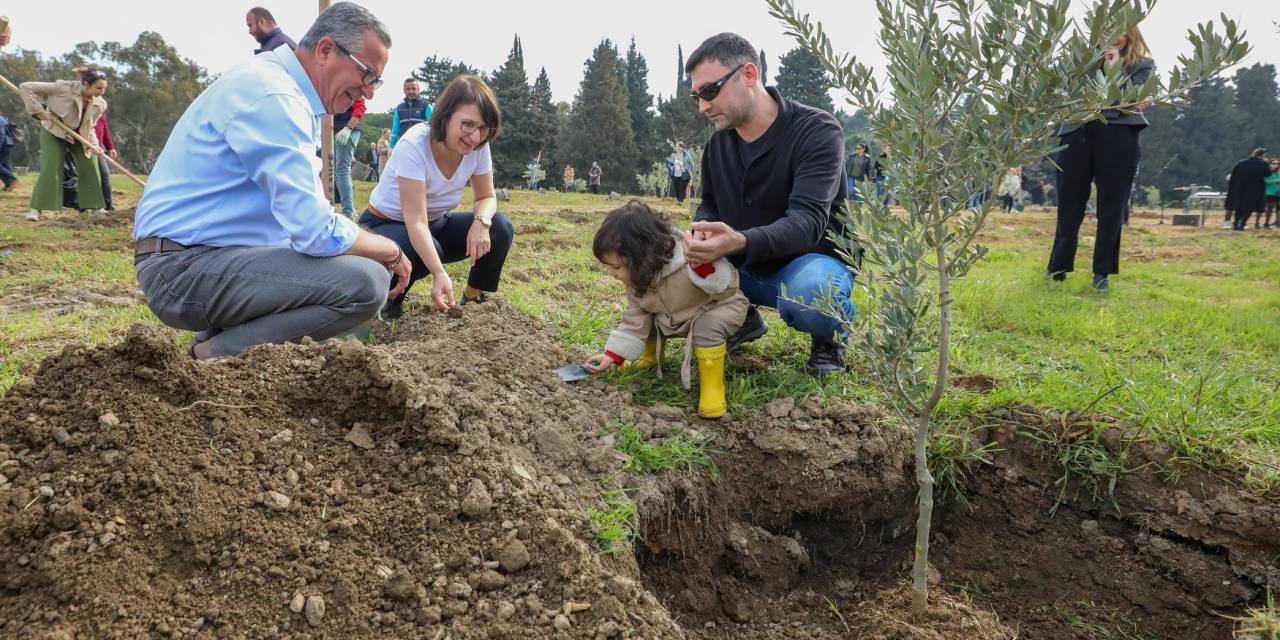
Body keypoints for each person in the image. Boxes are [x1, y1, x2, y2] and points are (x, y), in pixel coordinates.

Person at [134, 2, 406, 360]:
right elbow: (315, 231)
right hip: (181, 268)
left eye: (376, 80)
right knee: (366, 282)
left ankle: (218, 341)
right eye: (367, 74)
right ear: (325, 50)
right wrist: (391, 250)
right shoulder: (274, 97)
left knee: (340, 270)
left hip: (201, 257)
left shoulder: (281, 90)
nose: (369, 91)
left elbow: (300, 229)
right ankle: (215, 356)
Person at [682, 32, 854, 377]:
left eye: (710, 91)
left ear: (748, 74)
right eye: (697, 96)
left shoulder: (817, 131)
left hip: (807, 262)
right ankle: (742, 319)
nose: (703, 106)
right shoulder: (718, 145)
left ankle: (829, 338)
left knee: (812, 295)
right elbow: (711, 203)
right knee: (668, 274)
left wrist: (740, 241)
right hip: (742, 269)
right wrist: (702, 231)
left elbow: (807, 222)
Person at [359, 74, 514, 320]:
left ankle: (473, 297)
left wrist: (481, 222)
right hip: (385, 224)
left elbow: (486, 196)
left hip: (436, 221)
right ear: (446, 115)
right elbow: (416, 222)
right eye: (468, 124)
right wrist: (439, 274)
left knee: (500, 228)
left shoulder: (478, 147)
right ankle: (387, 301)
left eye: (484, 128)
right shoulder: (415, 145)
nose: (475, 136)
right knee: (428, 250)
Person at [585, 201, 747, 419]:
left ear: (642, 257)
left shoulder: (691, 260)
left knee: (707, 326)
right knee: (647, 314)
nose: (611, 274)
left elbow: (726, 288)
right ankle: (649, 357)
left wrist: (706, 270)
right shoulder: (639, 280)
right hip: (676, 315)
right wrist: (612, 355)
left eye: (616, 267)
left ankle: (712, 387)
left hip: (719, 308)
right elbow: (635, 318)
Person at [1047, 26, 1155, 291]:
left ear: (1131, 35)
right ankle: (1057, 268)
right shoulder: (1081, 62)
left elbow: (1136, 101)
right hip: (1076, 134)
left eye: (1122, 31)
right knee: (1069, 203)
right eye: (1110, 30)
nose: (1116, 37)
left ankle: (1102, 274)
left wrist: (1115, 69)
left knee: (1112, 207)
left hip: (1118, 137)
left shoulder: (1142, 65)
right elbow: (1064, 92)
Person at [20, 68, 108, 221]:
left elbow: (90, 126)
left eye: (104, 88)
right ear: (86, 84)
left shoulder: (100, 104)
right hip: (55, 130)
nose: (102, 92)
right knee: (51, 167)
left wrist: (95, 145)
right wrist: (39, 111)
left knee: (90, 164)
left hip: (79, 135)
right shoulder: (63, 88)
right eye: (99, 88)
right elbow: (27, 87)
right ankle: (36, 209)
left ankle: (96, 208)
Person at [332, 96, 364, 216]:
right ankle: (349, 209)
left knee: (342, 170)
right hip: (334, 129)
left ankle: (348, 212)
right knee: (338, 170)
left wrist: (348, 128)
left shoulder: (350, 85)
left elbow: (360, 107)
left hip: (347, 130)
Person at [1225, 148, 1269, 231]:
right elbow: (1268, 174)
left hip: (1240, 188)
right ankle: (1242, 222)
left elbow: (1233, 174)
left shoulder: (1241, 162)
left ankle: (1236, 223)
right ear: (1262, 156)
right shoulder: (1263, 164)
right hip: (1255, 189)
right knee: (1249, 207)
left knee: (1239, 206)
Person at [390, 78, 431, 148]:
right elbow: (395, 130)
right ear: (404, 90)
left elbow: (433, 127)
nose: (411, 91)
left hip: (422, 147)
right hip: (404, 147)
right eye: (408, 89)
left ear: (418, 89)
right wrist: (391, 146)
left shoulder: (426, 106)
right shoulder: (399, 109)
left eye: (414, 88)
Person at [93, 111, 116, 212]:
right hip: (85, 144)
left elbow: (104, 127)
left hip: (99, 146)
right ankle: (86, 206)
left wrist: (110, 147)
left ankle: (108, 206)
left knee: (104, 175)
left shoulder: (100, 106)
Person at [0, 114, 16, 193]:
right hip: (8, 143)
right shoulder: (2, 118)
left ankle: (13, 179)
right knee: (5, 164)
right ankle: (9, 185)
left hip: (4, 144)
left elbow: (1, 134)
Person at [1263, 158, 1280, 230]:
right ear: (1269, 164)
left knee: (1278, 210)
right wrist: (1274, 181)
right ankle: (1266, 223)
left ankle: (1278, 223)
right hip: (1270, 193)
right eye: (1273, 163)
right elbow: (1264, 180)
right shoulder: (1266, 172)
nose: (1276, 165)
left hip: (1279, 193)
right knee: (1269, 209)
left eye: (1278, 163)